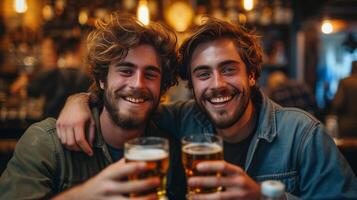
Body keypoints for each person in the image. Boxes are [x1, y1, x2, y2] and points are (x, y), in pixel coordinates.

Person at [56, 18, 357, 199]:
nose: (217, 84)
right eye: (203, 74)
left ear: (252, 75)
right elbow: (132, 105)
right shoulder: (184, 118)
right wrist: (82, 99)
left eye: (228, 69)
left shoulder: (303, 135)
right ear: (192, 85)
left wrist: (264, 198)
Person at [0, 13, 185, 199]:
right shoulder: (46, 144)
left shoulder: (171, 147)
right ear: (102, 79)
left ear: (162, 87)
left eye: (150, 74)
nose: (138, 84)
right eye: (126, 70)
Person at [10, 35, 91, 118]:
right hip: (80, 127)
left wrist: (23, 78)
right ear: (79, 50)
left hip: (51, 125)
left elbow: (22, 92)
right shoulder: (88, 77)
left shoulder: (50, 73)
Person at [332, 60, 357, 137]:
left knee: (345, 148)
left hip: (347, 126)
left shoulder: (345, 82)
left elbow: (337, 104)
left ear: (352, 68)